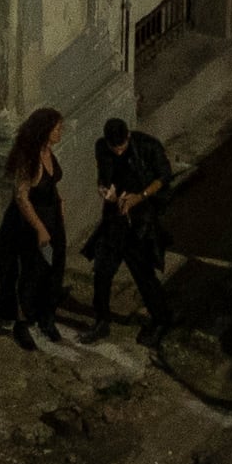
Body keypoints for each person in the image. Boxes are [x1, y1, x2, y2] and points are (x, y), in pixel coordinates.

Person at [85, 114, 178, 338]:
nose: (118, 151)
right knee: (102, 271)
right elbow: (103, 177)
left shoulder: (146, 146)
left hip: (140, 219)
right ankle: (101, 319)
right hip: (114, 217)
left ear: (128, 137)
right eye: (113, 147)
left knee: (143, 272)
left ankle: (161, 319)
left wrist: (140, 196)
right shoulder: (102, 148)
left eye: (121, 146)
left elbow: (165, 175)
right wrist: (105, 191)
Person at [0, 107, 71, 349]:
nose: (60, 132)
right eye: (57, 128)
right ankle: (22, 324)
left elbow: (51, 185)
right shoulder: (29, 158)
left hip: (51, 219)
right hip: (30, 223)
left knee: (54, 268)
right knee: (32, 271)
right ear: (45, 131)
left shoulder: (48, 152)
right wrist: (39, 228)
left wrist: (59, 205)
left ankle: (46, 318)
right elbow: (22, 197)